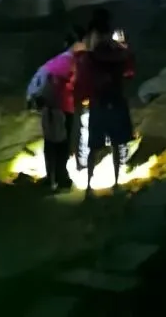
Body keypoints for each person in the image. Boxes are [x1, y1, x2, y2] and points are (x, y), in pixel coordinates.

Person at [75, 13, 135, 193]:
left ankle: (88, 186)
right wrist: (123, 47)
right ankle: (115, 183)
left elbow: (84, 76)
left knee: (94, 146)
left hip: (99, 102)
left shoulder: (91, 56)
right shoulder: (117, 53)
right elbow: (129, 71)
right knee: (116, 143)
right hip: (113, 101)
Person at [27, 32, 87, 192]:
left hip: (52, 107)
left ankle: (51, 178)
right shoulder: (69, 62)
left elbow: (40, 81)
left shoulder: (57, 62)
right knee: (60, 144)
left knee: (51, 144)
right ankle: (60, 179)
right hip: (60, 108)